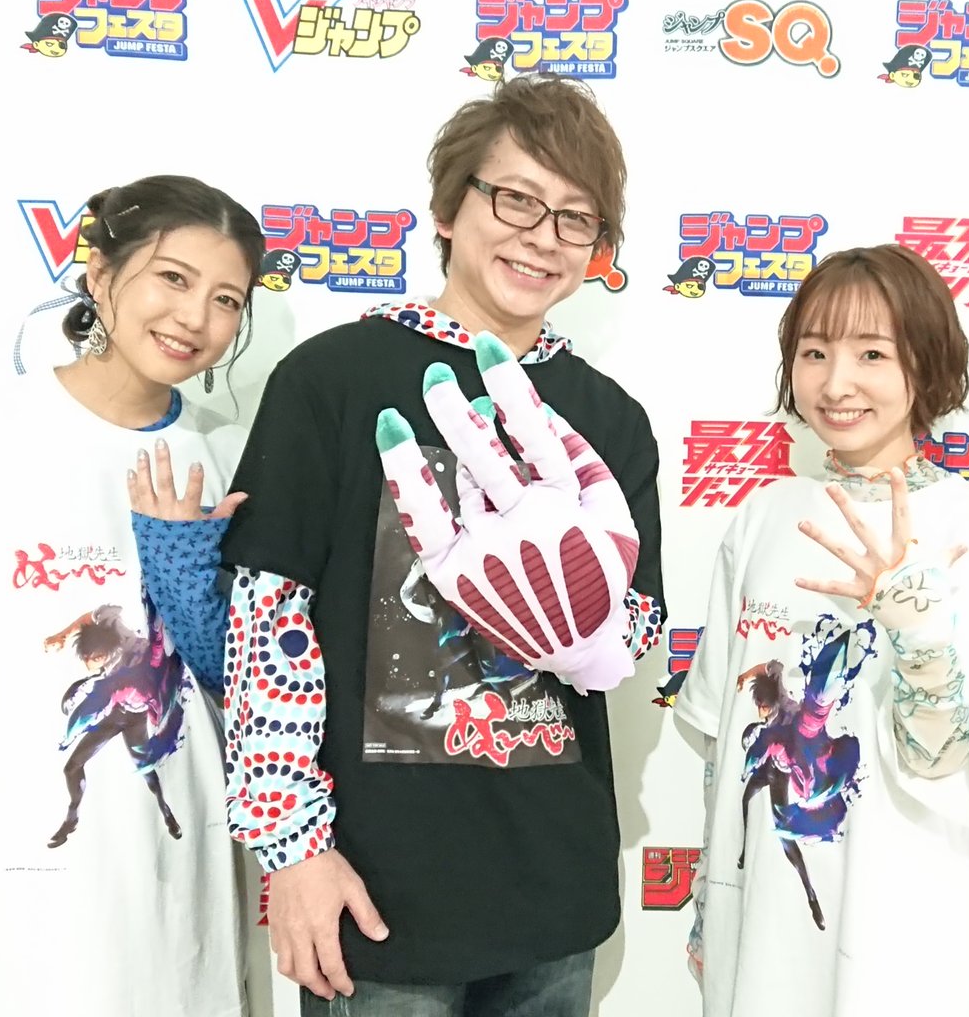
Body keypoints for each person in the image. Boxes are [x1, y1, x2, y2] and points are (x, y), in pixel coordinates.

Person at [215, 73, 666, 1015]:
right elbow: (268, 620)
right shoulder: (332, 380)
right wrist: (292, 849)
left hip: (555, 887)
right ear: (450, 210)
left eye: (575, 218)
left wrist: (585, 626)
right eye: (516, 199)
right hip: (377, 894)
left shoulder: (610, 420)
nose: (542, 237)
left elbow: (636, 627)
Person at [0, 174, 266, 1017]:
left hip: (169, 895)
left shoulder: (225, 457)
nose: (194, 318)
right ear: (100, 274)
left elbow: (245, 687)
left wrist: (180, 564)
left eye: (226, 300)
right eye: (172, 279)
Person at [675, 243, 969, 1016]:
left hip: (900, 924)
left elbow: (956, 772)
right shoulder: (765, 516)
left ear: (926, 361)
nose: (836, 384)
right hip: (763, 924)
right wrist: (711, 897)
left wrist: (915, 633)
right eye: (814, 353)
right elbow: (721, 745)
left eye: (872, 353)